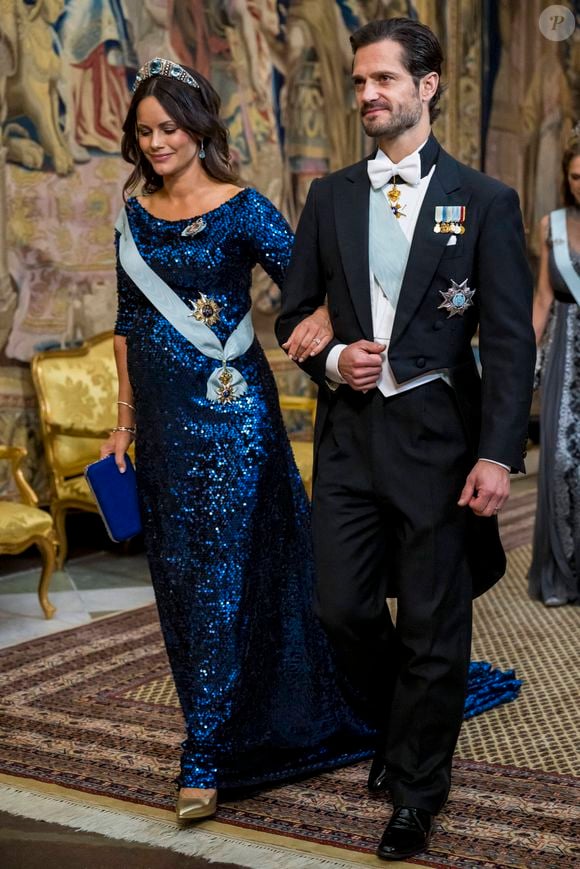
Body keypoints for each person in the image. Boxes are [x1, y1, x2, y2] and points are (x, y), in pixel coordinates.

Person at [276, 18, 536, 861]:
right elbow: (291, 314)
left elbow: (507, 339)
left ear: (427, 87)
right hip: (350, 435)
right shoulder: (331, 198)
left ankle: (420, 786)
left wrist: (497, 453)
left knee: (433, 622)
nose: (366, 95)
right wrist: (333, 359)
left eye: (382, 79)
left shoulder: (485, 201)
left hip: (441, 438)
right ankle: (407, 717)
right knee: (340, 606)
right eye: (358, 82)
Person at [100, 57, 377, 822]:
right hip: (161, 426)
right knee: (183, 582)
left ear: (200, 128)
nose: (157, 143)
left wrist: (325, 331)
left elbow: (308, 285)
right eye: (145, 131)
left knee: (224, 575)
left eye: (170, 128)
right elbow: (126, 324)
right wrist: (123, 421)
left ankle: (205, 754)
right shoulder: (132, 215)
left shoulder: (245, 208)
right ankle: (229, 719)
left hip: (232, 420)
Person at [529, 129, 580, 607]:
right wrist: (524, 357)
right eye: (577, 176)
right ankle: (564, 573)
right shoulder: (554, 225)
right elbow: (543, 298)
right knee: (562, 460)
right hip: (566, 346)